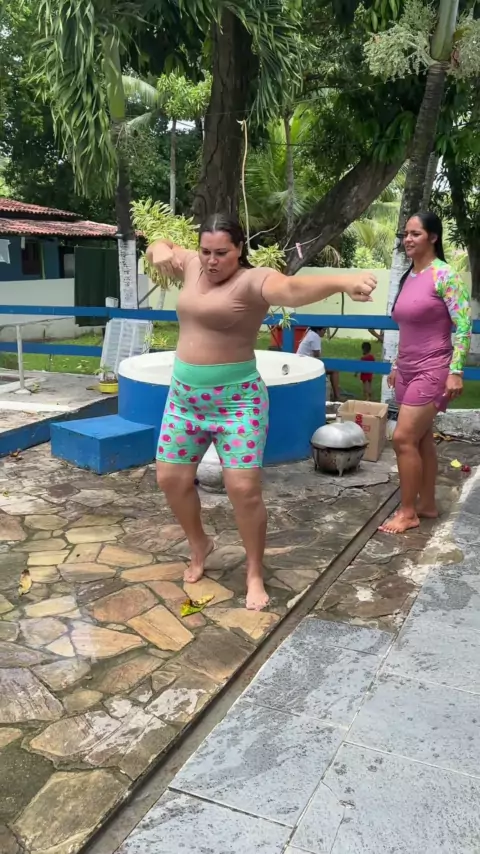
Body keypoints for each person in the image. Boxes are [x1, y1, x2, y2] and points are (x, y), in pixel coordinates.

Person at [146, 214, 376, 610]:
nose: (212, 260)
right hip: (184, 400)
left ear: (239, 250)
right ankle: (200, 544)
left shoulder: (254, 280)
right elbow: (161, 246)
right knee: (170, 479)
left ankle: (254, 571)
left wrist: (342, 281)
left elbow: (292, 290)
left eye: (222, 252)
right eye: (206, 251)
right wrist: (159, 249)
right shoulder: (193, 265)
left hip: (238, 403)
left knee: (243, 490)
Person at [380, 211, 472, 535]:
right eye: (405, 234)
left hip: (433, 369)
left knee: (402, 437)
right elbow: (408, 328)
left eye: (415, 233)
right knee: (420, 439)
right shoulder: (410, 276)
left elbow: (463, 325)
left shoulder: (444, 274)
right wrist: (396, 365)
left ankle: (408, 513)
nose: (407, 239)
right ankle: (427, 504)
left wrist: (456, 371)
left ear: (432, 237)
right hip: (406, 369)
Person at [296, 326, 341, 400]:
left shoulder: (310, 333)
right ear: (318, 330)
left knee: (331, 369)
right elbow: (317, 356)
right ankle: (337, 396)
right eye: (324, 330)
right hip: (306, 366)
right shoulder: (315, 337)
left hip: (303, 363)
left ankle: (335, 394)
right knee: (335, 371)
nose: (325, 332)